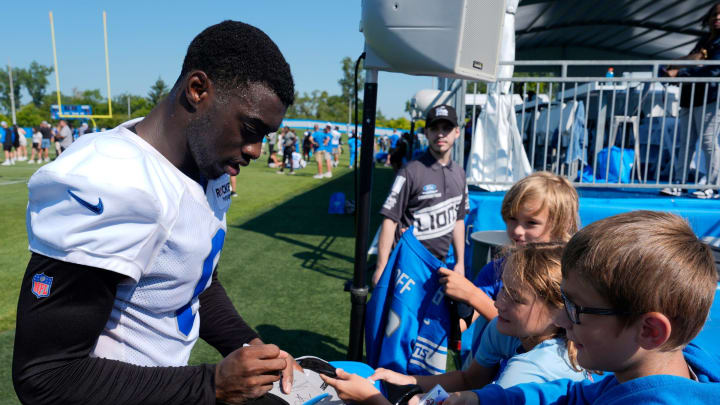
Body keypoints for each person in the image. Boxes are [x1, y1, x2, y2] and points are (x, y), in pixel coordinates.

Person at [13, 20, 299, 404]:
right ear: (198, 90)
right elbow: (47, 375)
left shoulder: (204, 168)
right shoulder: (112, 180)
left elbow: (194, 280)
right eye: (250, 129)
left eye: (265, 136)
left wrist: (251, 345)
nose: (256, 151)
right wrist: (211, 385)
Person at [324, 243, 588, 404]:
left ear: (561, 313)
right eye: (503, 289)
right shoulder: (505, 330)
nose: (498, 302)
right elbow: (468, 378)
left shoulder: (531, 370)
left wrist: (373, 401)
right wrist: (405, 379)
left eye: (515, 298)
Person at [440, 171, 580, 327]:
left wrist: (473, 295)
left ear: (561, 224)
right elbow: (465, 321)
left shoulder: (566, 275)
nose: (518, 231)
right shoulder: (496, 269)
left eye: (531, 223)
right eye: (512, 219)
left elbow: (532, 329)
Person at [372, 104, 468, 286]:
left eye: (446, 128)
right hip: (408, 266)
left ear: (456, 132)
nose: (440, 134)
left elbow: (459, 220)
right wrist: (381, 267)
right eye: (434, 128)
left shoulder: (460, 173)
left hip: (439, 267)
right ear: (426, 132)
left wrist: (460, 263)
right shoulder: (410, 171)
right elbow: (390, 219)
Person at [661, 2, 720, 199]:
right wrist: (673, 71)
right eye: (714, 15)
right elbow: (694, 61)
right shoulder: (705, 40)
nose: (717, 18)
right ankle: (679, 182)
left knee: (708, 141)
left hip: (710, 97)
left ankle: (712, 185)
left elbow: (714, 69)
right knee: (685, 141)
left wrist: (680, 72)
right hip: (690, 97)